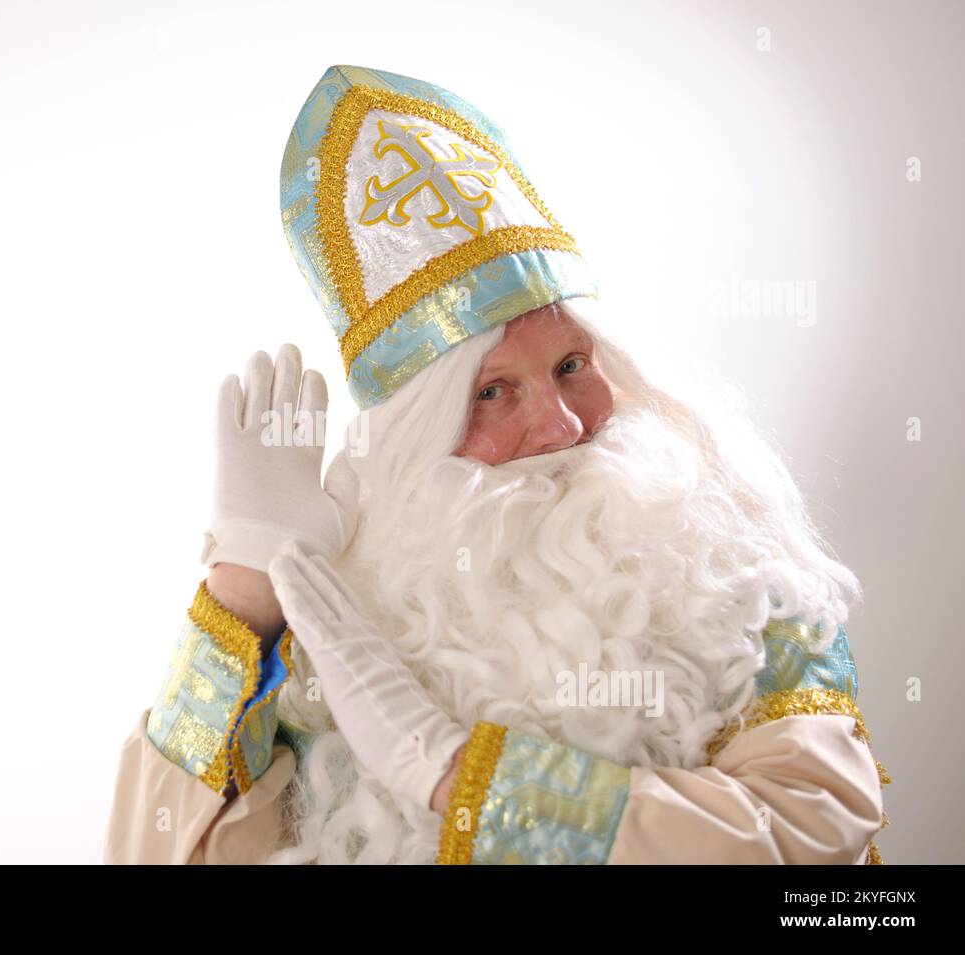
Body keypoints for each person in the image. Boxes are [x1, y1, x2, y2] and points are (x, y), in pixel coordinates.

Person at [102, 64, 889, 865]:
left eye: (573, 364)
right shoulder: (337, 611)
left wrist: (450, 767)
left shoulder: (737, 584)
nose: (560, 424)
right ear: (417, 432)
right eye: (493, 392)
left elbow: (807, 841)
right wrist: (248, 584)